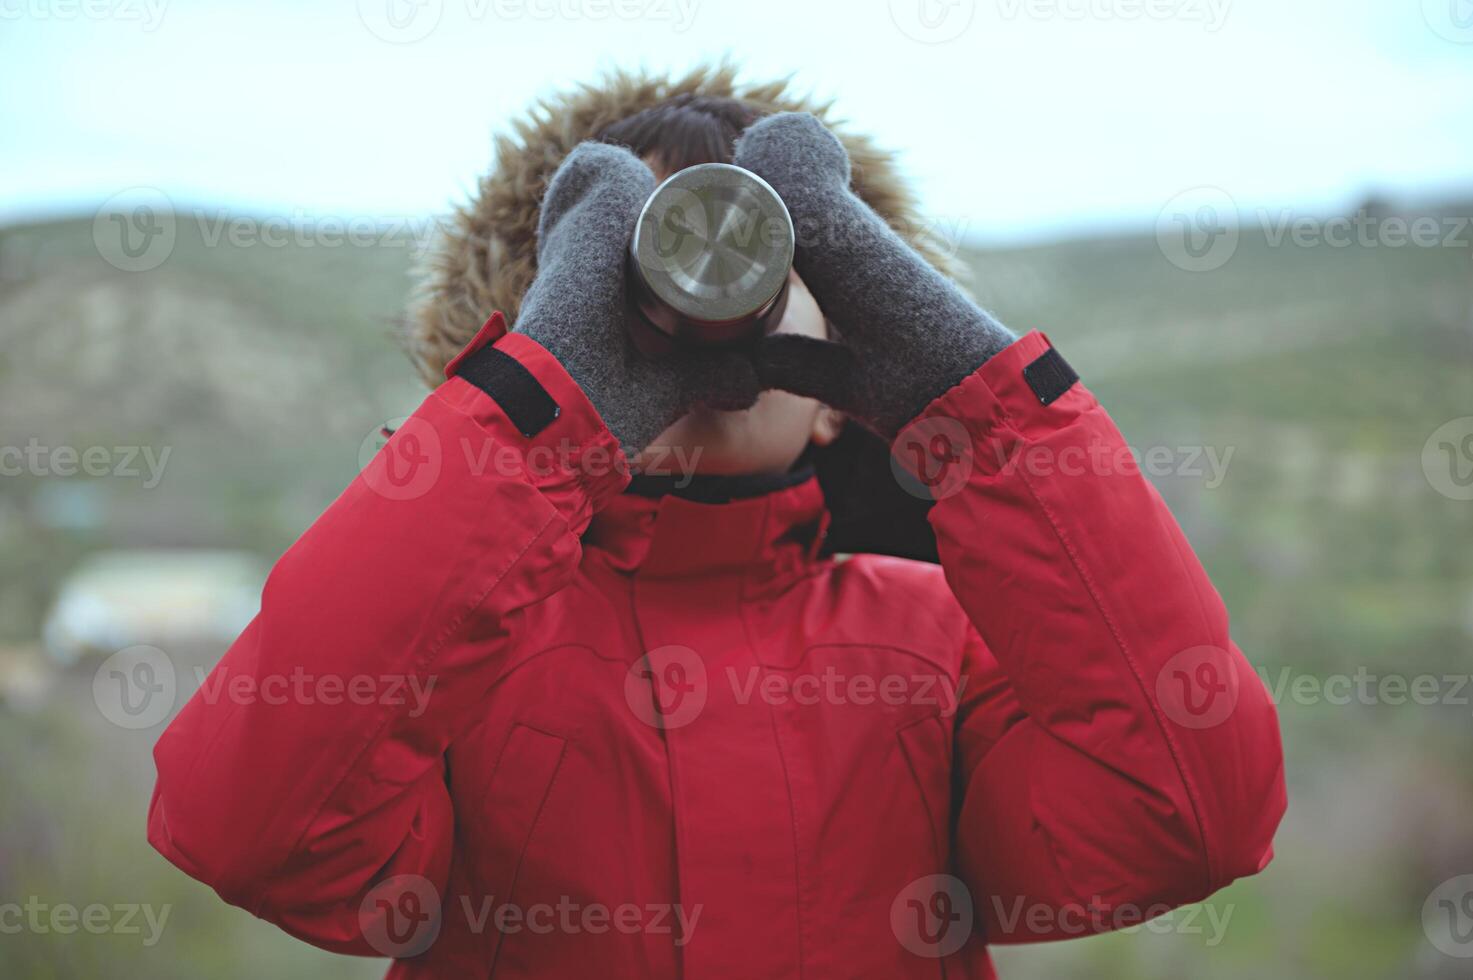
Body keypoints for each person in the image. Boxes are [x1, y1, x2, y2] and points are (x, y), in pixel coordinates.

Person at [147, 65, 1286, 979]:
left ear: (845, 383)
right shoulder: (461, 652)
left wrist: (970, 400)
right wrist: (531, 421)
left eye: (760, 260)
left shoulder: (942, 637)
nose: (703, 316)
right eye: (641, 270)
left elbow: (1189, 822)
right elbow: (257, 832)